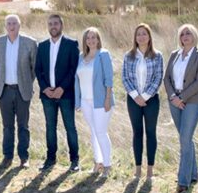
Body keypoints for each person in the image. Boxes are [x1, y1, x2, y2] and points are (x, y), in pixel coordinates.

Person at [163, 24, 198, 193]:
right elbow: (166, 78)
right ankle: (194, 174)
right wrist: (173, 97)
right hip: (174, 101)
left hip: (193, 101)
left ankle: (183, 181)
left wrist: (182, 97)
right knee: (186, 138)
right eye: (182, 34)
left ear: (194, 35)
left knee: (184, 138)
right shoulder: (174, 55)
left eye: (188, 33)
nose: (185, 36)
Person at [0, 14, 38, 169]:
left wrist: (26, 83)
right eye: (9, 23)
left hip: (22, 91)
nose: (11, 26)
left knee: (23, 126)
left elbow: (34, 68)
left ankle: (24, 157)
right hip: (4, 91)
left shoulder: (30, 43)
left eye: (14, 23)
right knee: (7, 126)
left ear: (19, 25)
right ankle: (7, 157)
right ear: (6, 26)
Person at [35, 14, 80, 172]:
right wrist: (45, 88)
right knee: (50, 127)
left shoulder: (71, 44)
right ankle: (50, 159)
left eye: (56, 23)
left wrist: (61, 88)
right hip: (47, 95)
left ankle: (74, 160)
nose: (53, 26)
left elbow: (73, 69)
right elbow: (38, 70)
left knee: (70, 127)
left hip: (65, 94)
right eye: (50, 24)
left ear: (61, 25)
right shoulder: (42, 46)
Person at [122, 23, 163, 179]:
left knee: (151, 133)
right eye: (138, 34)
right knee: (137, 133)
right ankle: (138, 169)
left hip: (151, 100)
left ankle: (150, 170)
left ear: (149, 36)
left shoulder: (157, 56)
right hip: (133, 100)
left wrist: (145, 96)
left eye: (144, 33)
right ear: (135, 37)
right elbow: (125, 78)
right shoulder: (129, 56)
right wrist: (135, 96)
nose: (141, 36)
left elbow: (158, 78)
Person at [74, 27, 114, 176]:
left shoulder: (103, 55)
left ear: (98, 39)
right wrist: (78, 102)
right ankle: (98, 162)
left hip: (101, 101)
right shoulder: (80, 57)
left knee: (101, 132)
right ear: (85, 41)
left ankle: (108, 165)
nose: (91, 40)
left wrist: (108, 99)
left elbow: (109, 79)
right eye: (88, 38)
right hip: (85, 101)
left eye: (94, 37)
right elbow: (76, 80)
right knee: (93, 132)